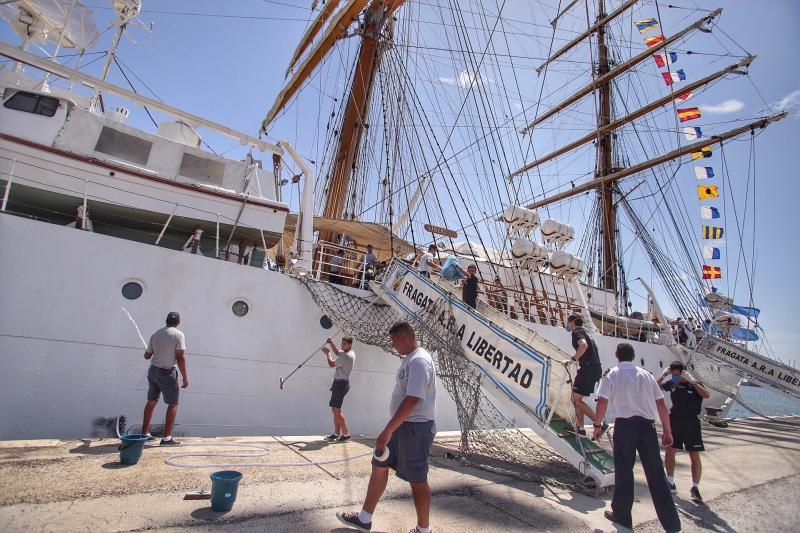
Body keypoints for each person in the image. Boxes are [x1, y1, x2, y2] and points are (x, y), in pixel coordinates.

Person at [337, 322, 437, 533]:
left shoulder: (419, 361)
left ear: (403, 337)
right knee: (379, 465)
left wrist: (388, 429)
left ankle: (423, 530)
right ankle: (364, 519)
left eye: (394, 341)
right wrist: (392, 428)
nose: (393, 346)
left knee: (418, 480)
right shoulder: (410, 359)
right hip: (401, 426)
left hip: (414, 429)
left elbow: (413, 399)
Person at [594, 343, 681, 533]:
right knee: (657, 475)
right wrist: (667, 431)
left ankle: (623, 517)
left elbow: (602, 401)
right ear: (633, 357)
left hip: (625, 427)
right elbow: (661, 404)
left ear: (617, 355)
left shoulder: (612, 374)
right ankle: (672, 525)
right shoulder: (647, 376)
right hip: (647, 427)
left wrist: (597, 425)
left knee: (624, 471)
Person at [658, 361, 711, 502]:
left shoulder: (693, 384)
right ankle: (670, 482)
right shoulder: (672, 383)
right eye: (673, 375)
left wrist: (692, 381)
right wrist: (664, 375)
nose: (675, 378)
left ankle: (695, 487)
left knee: (694, 455)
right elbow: (655, 388)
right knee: (670, 450)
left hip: (691, 422)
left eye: (677, 375)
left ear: (683, 373)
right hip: (675, 420)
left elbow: (706, 395)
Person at [141, 312, 188, 445]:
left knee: (151, 401)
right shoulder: (179, 335)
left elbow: (147, 356)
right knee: (173, 403)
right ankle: (167, 438)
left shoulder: (156, 334)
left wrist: (154, 349)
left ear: (166, 321)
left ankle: (144, 434)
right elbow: (180, 357)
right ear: (178, 322)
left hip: (153, 371)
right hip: (167, 372)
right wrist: (185, 377)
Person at [565, 314, 605, 436]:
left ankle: (601, 424)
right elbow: (594, 349)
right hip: (594, 369)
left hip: (587, 369)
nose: (567, 325)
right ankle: (580, 428)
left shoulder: (577, 332)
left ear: (572, 322)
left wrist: (574, 358)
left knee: (575, 399)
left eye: (568, 322)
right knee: (577, 399)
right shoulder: (587, 333)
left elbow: (583, 345)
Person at [323, 336, 355, 442]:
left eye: (345, 343)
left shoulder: (346, 356)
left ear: (350, 344)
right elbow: (337, 352)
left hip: (341, 384)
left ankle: (346, 433)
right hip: (339, 383)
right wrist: (331, 342)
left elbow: (332, 364)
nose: (342, 345)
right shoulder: (349, 352)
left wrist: (327, 353)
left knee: (336, 409)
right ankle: (337, 433)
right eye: (342, 343)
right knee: (335, 409)